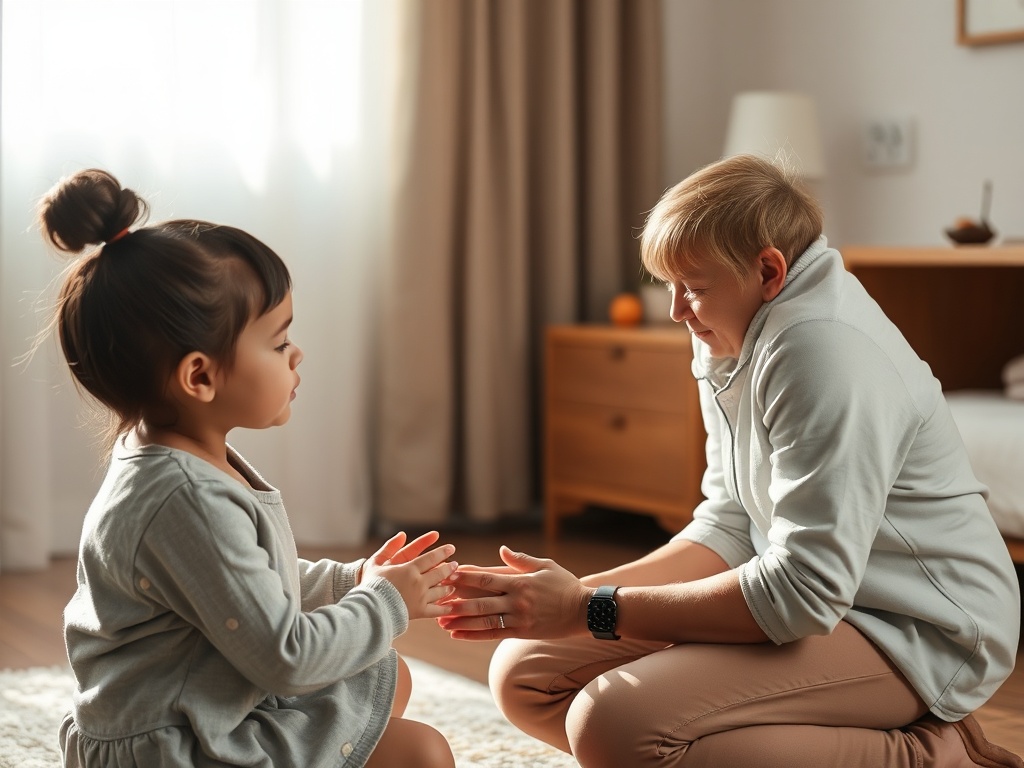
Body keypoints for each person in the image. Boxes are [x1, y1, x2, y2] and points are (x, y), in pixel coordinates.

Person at [439, 154, 1023, 767]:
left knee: (614, 723)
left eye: (691, 287)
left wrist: (589, 608)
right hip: (823, 600)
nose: (675, 312)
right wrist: (569, 601)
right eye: (669, 286)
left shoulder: (822, 355)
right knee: (527, 673)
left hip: (913, 626)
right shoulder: (733, 327)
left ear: (768, 270)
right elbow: (731, 520)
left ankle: (939, 756)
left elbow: (804, 593)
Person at [38, 169, 459, 768]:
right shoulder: (184, 499)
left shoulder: (171, 451)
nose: (298, 353)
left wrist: (353, 581)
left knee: (389, 676)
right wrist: (385, 603)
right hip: (174, 745)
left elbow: (248, 581)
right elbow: (287, 657)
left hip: (200, 699)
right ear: (201, 376)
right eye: (279, 341)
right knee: (423, 752)